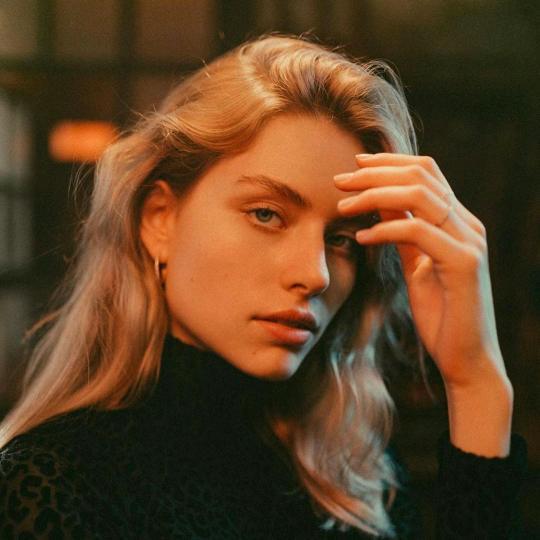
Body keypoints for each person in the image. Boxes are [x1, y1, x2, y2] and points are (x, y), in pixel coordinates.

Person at [0, 35, 526, 539]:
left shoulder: (358, 479)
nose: (316, 274)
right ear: (160, 219)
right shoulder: (54, 486)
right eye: (267, 214)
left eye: (342, 239)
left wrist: (476, 384)